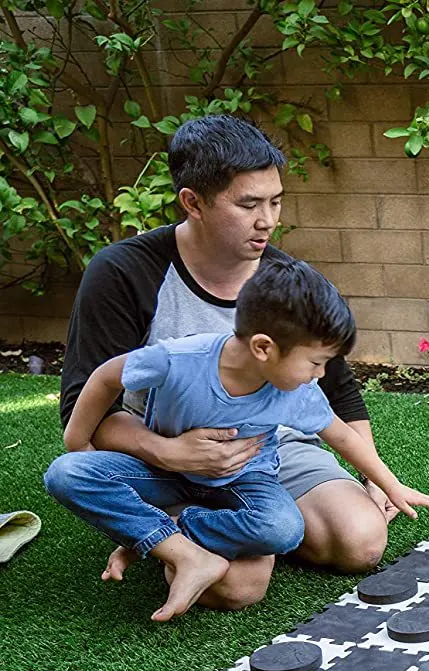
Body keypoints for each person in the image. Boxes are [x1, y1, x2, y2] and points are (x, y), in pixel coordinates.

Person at [58, 114, 397, 613]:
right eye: (248, 204)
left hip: (267, 448)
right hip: (163, 448)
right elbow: (86, 405)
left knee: (360, 542)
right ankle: (180, 532)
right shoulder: (123, 272)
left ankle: (225, 526)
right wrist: (168, 452)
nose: (268, 220)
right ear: (193, 202)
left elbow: (337, 391)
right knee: (237, 589)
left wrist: (374, 478)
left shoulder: (287, 278)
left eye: (276, 201)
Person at [46, 259, 429, 622]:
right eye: (316, 362)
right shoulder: (178, 359)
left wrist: (391, 485)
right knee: (67, 474)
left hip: (244, 482)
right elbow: (106, 377)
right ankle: (184, 552)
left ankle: (161, 535)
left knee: (283, 528)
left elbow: (341, 435)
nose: (320, 375)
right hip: (164, 472)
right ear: (264, 347)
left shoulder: (296, 391)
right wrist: (77, 440)